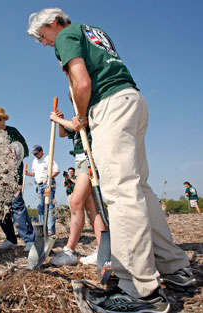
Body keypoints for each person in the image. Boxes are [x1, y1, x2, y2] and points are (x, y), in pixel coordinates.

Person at [28, 8, 195, 312]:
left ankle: (139, 290)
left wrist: (80, 118)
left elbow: (81, 83)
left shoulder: (66, 35)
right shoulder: (94, 31)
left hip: (108, 106)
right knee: (139, 189)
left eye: (42, 36)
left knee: (120, 192)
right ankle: (175, 268)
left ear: (53, 24)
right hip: (132, 99)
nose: (44, 43)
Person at [49, 112, 106, 266]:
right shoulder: (76, 116)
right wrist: (60, 122)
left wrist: (57, 119)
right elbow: (62, 134)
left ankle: (70, 250)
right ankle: (105, 249)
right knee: (91, 206)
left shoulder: (90, 112)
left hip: (89, 159)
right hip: (79, 161)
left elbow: (77, 125)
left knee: (75, 202)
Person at [0, 107, 35, 252]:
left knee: (17, 207)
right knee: (0, 210)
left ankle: (29, 240)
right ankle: (10, 239)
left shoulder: (13, 132)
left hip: (13, 176)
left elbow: (24, 150)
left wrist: (13, 154)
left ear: (4, 120)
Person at [25, 144, 60, 235]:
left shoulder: (48, 158)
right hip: (39, 185)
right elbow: (34, 173)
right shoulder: (34, 161)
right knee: (40, 206)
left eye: (36, 153)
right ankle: (42, 228)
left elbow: (56, 170)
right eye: (34, 154)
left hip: (49, 184)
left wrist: (48, 177)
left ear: (41, 151)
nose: (35, 155)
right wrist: (28, 173)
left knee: (50, 207)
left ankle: (50, 230)